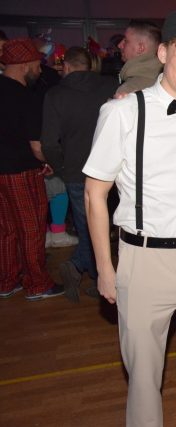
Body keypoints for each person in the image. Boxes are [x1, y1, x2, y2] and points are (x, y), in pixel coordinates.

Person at [83, 11, 176, 426]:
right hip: (144, 258)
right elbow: (95, 194)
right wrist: (105, 268)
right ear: (162, 53)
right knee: (144, 378)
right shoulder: (122, 113)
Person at [41, 46, 118, 301]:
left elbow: (49, 143)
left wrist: (61, 167)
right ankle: (84, 269)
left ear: (66, 66)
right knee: (102, 224)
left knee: (87, 226)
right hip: (111, 168)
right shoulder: (110, 85)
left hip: (76, 170)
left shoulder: (55, 94)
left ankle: (85, 270)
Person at [0, 38, 64, 300]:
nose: (40, 70)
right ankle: (37, 284)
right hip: (21, 171)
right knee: (32, 228)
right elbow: (36, 146)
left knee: (6, 229)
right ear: (24, 65)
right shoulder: (25, 96)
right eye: (37, 64)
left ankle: (6, 282)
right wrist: (50, 163)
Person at [115, 19, 163, 96]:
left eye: (126, 41)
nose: (119, 45)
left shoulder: (128, 91)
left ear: (140, 48)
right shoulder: (167, 82)